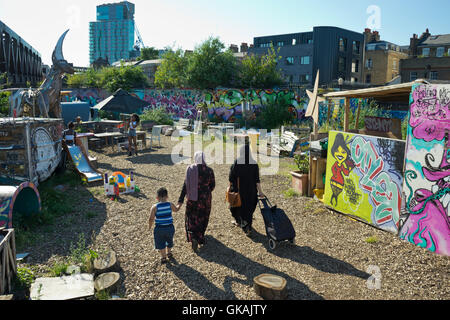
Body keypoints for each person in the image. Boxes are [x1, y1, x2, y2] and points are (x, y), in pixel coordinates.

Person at [178, 151, 216, 252]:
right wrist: (206, 191)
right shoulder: (209, 170)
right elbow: (212, 185)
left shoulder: (190, 169)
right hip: (205, 198)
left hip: (192, 198)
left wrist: (180, 199)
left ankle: (193, 236)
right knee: (203, 216)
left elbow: (185, 185)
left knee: (192, 217)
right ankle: (200, 237)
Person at [229, 144, 265, 236]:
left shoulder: (237, 162)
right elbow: (257, 180)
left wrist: (230, 189)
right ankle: (248, 226)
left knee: (238, 208)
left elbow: (231, 178)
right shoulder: (254, 163)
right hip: (251, 191)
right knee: (249, 210)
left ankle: (244, 225)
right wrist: (260, 192)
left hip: (239, 191)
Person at [149, 188, 182, 264]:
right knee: (169, 240)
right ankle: (169, 253)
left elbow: (151, 218)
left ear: (157, 197)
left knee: (160, 242)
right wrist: (179, 204)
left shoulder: (155, 207)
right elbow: (176, 209)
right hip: (170, 227)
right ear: (167, 196)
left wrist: (150, 226)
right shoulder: (170, 204)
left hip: (159, 228)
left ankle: (163, 257)